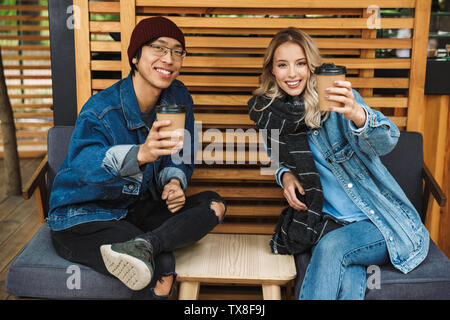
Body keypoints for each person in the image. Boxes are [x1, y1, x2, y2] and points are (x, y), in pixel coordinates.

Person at [48, 17, 226, 299]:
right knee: (161, 268)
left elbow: (180, 152)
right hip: (83, 218)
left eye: (177, 51)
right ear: (135, 57)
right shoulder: (101, 109)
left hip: (135, 209)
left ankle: (144, 244)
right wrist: (140, 154)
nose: (169, 58)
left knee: (213, 205)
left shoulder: (177, 97)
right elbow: (83, 162)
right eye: (159, 48)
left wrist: (174, 183)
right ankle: (147, 249)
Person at [248, 27, 429, 300]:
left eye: (300, 64)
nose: (292, 73)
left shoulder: (336, 100)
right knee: (347, 275)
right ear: (272, 70)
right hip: (328, 222)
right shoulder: (271, 114)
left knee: (331, 248)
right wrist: (285, 176)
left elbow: (386, 142)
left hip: (378, 221)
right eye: (282, 65)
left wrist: (358, 114)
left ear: (311, 67)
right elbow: (277, 159)